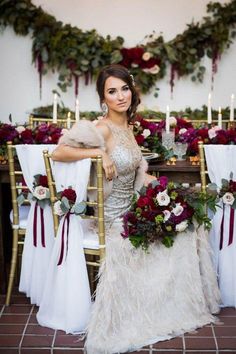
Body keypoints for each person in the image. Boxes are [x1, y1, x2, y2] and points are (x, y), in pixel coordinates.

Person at [51, 64, 220, 353]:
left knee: (184, 226)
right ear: (103, 98)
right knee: (164, 237)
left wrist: (159, 185)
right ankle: (149, 313)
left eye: (124, 88)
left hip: (131, 207)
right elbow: (59, 152)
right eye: (112, 91)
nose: (120, 96)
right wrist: (98, 152)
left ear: (132, 90)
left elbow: (132, 173)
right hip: (110, 218)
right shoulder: (101, 128)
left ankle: (171, 306)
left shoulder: (127, 127)